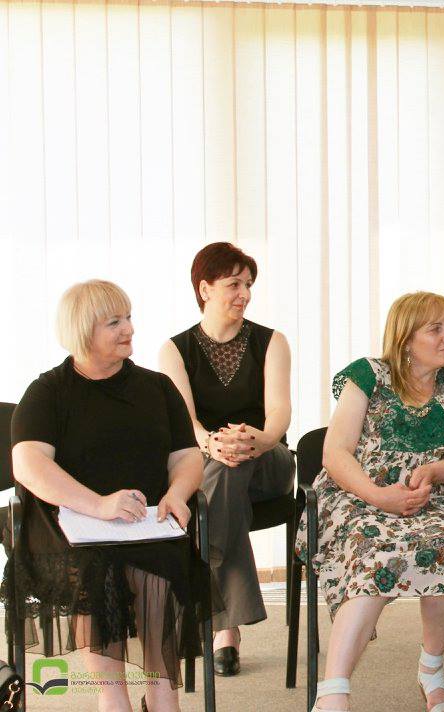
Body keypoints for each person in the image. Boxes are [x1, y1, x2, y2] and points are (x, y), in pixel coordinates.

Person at [3, 279, 216, 712]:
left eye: (129, 317)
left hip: (146, 522)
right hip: (72, 526)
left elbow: (187, 456)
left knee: (159, 567)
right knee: (95, 569)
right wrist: (99, 505)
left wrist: (178, 493)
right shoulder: (49, 391)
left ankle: (161, 695)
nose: (129, 329)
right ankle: (113, 697)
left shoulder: (157, 388)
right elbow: (28, 464)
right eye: (114, 322)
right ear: (83, 331)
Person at [295, 291, 444, 712]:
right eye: (436, 329)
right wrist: (379, 496)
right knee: (375, 553)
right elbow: (335, 453)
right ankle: (333, 692)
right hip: (356, 496)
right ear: (405, 339)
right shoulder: (367, 375)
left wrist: (434, 471)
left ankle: (432, 672)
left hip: (426, 499)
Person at [159, 242, 295, 677]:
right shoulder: (175, 349)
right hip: (210, 464)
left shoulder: (271, 341)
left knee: (229, 466)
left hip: (269, 460)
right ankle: (226, 629)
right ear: (204, 289)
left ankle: (199, 577)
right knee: (223, 471)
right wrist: (211, 444)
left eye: (248, 284)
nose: (245, 294)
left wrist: (257, 440)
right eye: (234, 284)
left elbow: (279, 412)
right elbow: (186, 421)